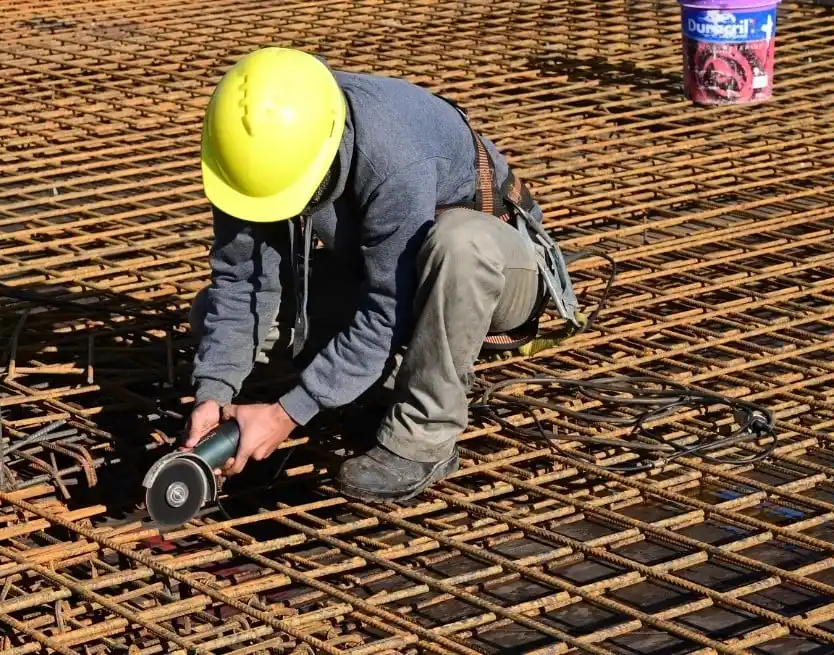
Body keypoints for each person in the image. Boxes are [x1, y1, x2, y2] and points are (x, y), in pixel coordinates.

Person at [183, 47, 582, 502]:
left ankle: (422, 438)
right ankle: (374, 382)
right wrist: (213, 392)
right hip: (384, 271)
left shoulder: (393, 154)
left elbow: (386, 310)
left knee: (458, 243)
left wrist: (288, 413)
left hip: (492, 275)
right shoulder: (247, 152)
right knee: (209, 315)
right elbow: (243, 284)